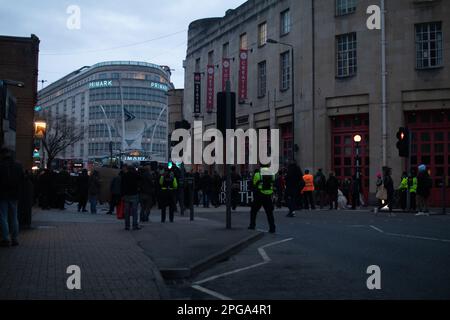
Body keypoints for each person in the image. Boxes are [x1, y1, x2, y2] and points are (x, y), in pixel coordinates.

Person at [0, 148, 24, 247]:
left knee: (3, 216)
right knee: (14, 217)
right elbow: (22, 179)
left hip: (2, 194)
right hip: (14, 194)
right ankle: (15, 238)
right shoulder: (18, 165)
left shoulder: (0, 165)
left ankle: (6, 238)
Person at [248, 165, 276, 233]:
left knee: (254, 210)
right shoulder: (272, 174)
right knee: (269, 213)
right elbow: (273, 183)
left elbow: (254, 184)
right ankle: (272, 227)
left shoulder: (258, 174)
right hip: (268, 195)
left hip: (259, 195)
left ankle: (252, 225)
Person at [121, 165, 141, 230]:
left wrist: (122, 195)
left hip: (126, 195)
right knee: (134, 211)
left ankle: (127, 226)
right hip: (134, 194)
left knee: (127, 211)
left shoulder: (124, 175)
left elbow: (122, 185)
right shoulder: (136, 175)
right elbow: (140, 183)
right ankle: (135, 225)